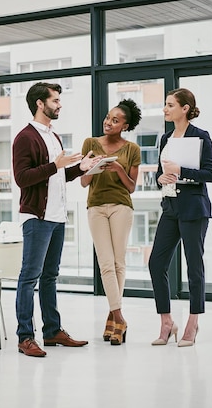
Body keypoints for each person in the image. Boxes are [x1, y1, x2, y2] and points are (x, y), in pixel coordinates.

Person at [12, 82, 102, 357]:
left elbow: (56, 175)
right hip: (37, 218)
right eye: (55, 100)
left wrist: (80, 169)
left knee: (50, 277)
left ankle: (52, 331)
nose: (60, 104)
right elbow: (22, 178)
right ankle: (25, 337)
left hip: (57, 217)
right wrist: (56, 165)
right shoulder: (25, 137)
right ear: (40, 103)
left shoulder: (53, 136)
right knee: (30, 278)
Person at [148, 88, 212, 347]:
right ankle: (167, 322)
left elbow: (211, 174)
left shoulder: (201, 136)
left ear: (185, 108)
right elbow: (158, 175)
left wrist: (182, 170)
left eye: (169, 105)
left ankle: (193, 321)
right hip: (170, 207)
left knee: (194, 266)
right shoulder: (166, 137)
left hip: (194, 209)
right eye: (165, 105)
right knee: (156, 263)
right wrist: (160, 178)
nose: (165, 109)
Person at [80, 99, 142, 345]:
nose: (108, 122)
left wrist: (117, 168)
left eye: (115, 120)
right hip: (95, 206)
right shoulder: (91, 143)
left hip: (120, 206)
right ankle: (119, 317)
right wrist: (92, 168)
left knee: (118, 263)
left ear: (124, 125)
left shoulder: (132, 149)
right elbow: (84, 182)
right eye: (108, 118)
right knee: (105, 263)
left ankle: (112, 318)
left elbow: (132, 187)